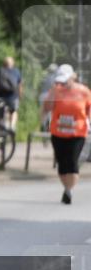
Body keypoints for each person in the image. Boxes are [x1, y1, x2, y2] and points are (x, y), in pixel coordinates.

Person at [42, 64, 91, 205]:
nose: (62, 84)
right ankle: (66, 187)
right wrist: (52, 93)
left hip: (77, 132)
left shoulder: (84, 91)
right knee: (62, 164)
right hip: (58, 132)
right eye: (60, 81)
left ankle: (69, 190)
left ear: (72, 77)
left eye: (65, 81)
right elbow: (47, 108)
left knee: (72, 162)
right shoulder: (56, 91)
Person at [0, 56, 23, 131]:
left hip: (0, 96)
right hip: (12, 96)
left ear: (3, 63)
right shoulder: (17, 72)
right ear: (13, 63)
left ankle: (0, 124)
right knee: (14, 111)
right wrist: (20, 96)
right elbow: (20, 86)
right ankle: (12, 126)